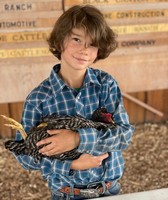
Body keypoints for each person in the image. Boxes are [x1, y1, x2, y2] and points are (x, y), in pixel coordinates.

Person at [14, 4, 134, 200]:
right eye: (77, 39)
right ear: (60, 40)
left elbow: (124, 135)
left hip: (109, 190)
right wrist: (70, 164)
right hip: (67, 194)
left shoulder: (106, 85)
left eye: (92, 43)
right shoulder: (38, 99)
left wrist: (76, 139)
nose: (84, 50)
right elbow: (25, 156)